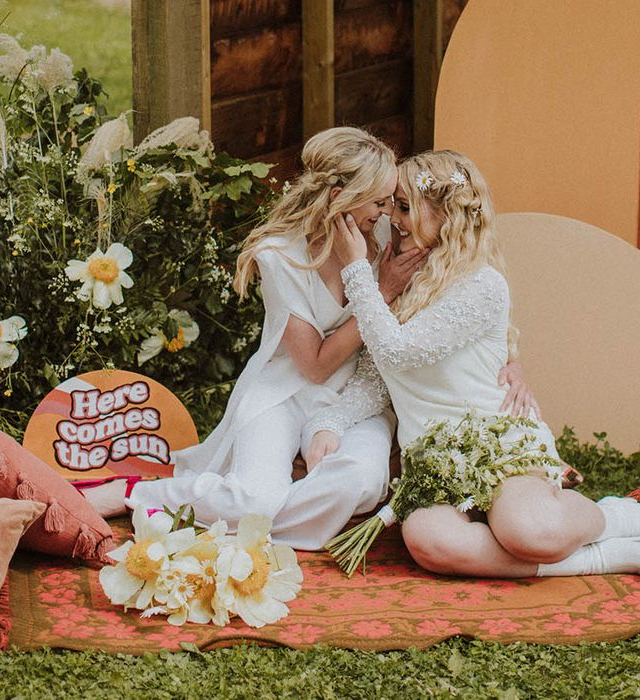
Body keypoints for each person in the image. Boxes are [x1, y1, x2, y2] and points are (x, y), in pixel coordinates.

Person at [79, 129, 533, 550]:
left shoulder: (388, 239)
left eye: (394, 202)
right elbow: (314, 364)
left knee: (358, 484)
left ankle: (240, 510)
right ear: (341, 198)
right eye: (379, 202)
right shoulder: (281, 255)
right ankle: (142, 494)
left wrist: (507, 358)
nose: (389, 215)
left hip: (359, 394)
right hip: (286, 389)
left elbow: (454, 306)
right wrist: (384, 290)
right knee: (255, 497)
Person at [304, 149, 640, 578]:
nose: (392, 220)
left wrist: (358, 272)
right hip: (432, 461)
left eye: (404, 207)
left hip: (496, 446)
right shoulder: (396, 277)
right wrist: (332, 424)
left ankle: (621, 518)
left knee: (529, 532)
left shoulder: (481, 285)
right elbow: (378, 378)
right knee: (430, 543)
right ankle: (608, 557)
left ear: (446, 215)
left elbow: (400, 350)